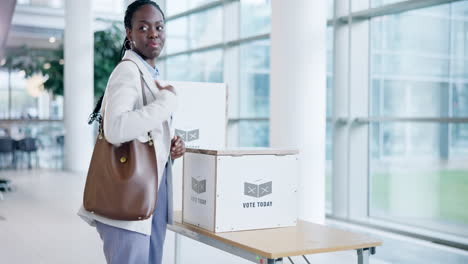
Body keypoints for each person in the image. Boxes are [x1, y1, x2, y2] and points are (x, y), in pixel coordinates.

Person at [78, 1, 185, 263]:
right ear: (129, 33)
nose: (153, 33)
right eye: (143, 27)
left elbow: (142, 128)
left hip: (150, 196)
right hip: (129, 200)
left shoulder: (150, 74)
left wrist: (169, 144)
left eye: (159, 27)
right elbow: (116, 129)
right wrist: (166, 103)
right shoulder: (127, 71)